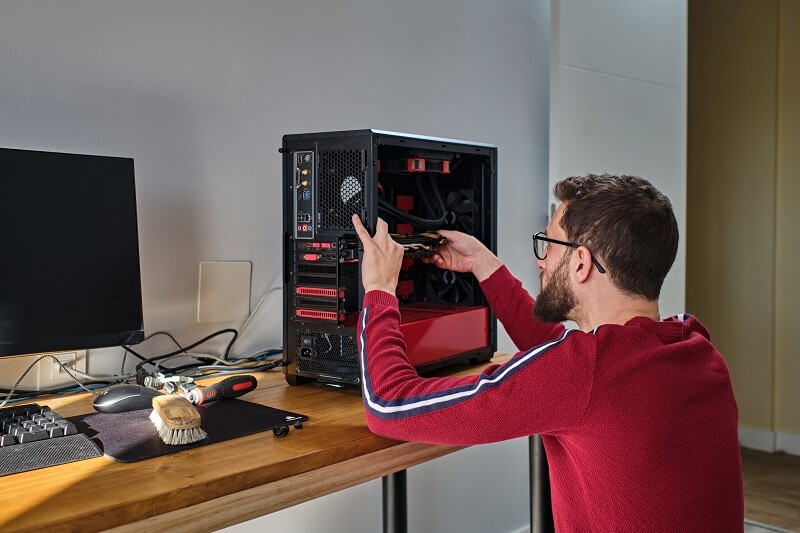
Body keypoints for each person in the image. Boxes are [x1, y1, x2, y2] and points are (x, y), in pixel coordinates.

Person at [350, 173, 743, 532]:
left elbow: (388, 404)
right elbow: (567, 360)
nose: (541, 260)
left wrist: (380, 289)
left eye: (549, 245)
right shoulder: (697, 352)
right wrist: (482, 263)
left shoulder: (584, 373)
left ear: (581, 263)